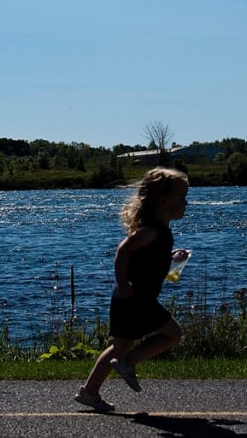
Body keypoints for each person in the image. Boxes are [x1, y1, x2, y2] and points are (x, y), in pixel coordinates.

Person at [73, 167, 189, 412]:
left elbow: (147, 259)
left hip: (131, 298)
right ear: (164, 200)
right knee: (173, 334)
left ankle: (89, 392)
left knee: (120, 345)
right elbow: (122, 251)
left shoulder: (159, 232)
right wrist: (123, 282)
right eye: (182, 197)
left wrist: (172, 257)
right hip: (136, 298)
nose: (186, 203)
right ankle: (128, 362)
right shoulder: (151, 231)